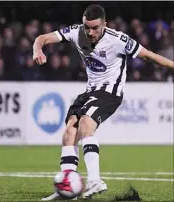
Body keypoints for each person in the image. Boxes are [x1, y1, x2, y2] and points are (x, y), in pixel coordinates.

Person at [32, 4, 174, 201]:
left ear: (104, 25)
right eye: (87, 27)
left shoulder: (118, 40)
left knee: (85, 123)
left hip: (110, 92)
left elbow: (150, 56)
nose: (90, 32)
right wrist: (37, 50)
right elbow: (43, 38)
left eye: (95, 28)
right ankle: (66, 187)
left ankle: (95, 180)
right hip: (90, 91)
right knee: (70, 132)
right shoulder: (76, 32)